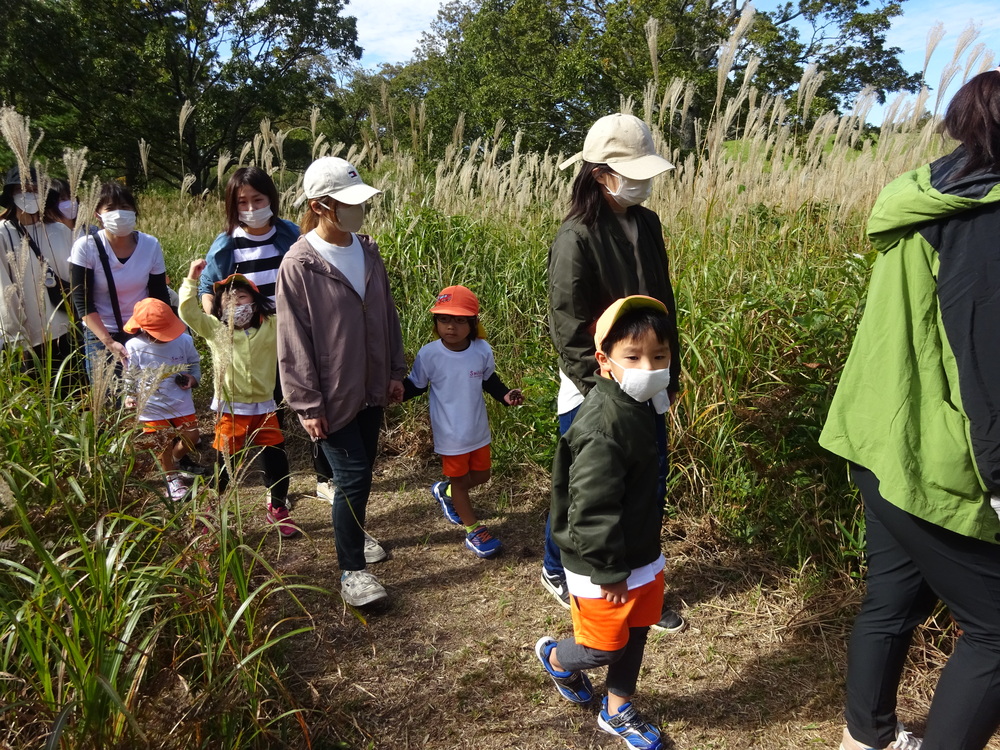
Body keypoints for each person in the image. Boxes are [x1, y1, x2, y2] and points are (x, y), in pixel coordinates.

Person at [819, 69, 1000, 750]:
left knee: (894, 598)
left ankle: (864, 737)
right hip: (928, 451)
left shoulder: (931, 193)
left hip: (874, 435)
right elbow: (985, 364)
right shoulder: (984, 219)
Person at [545, 113, 684, 634]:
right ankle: (559, 566)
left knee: (646, 483)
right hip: (598, 385)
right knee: (587, 487)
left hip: (648, 372)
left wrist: (668, 373)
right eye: (632, 172)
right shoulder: (577, 235)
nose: (643, 182)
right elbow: (567, 321)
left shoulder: (646, 222)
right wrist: (602, 389)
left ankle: (643, 580)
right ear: (600, 173)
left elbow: (663, 302)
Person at [536, 296, 673, 750]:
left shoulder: (642, 407)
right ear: (605, 361)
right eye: (633, 356)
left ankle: (616, 710)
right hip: (602, 561)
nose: (648, 366)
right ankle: (556, 656)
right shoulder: (602, 423)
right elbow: (591, 507)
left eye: (660, 355)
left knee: (635, 631)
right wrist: (609, 568)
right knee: (605, 645)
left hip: (639, 552)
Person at [276, 156, 405, 607]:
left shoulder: (367, 251)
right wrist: (307, 405)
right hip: (331, 394)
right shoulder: (300, 264)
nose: (357, 210)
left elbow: (387, 313)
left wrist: (394, 370)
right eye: (346, 203)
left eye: (359, 201)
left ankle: (354, 531)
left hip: (371, 385)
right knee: (351, 477)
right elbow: (293, 340)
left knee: (360, 474)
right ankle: (352, 572)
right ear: (319, 205)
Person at [200, 166, 333, 499]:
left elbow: (313, 272)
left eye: (256, 199)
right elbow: (207, 286)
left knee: (311, 402)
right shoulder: (226, 243)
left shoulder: (290, 233)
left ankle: (324, 478)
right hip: (253, 344)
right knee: (268, 414)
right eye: (241, 202)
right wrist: (218, 324)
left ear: (270, 198)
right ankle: (275, 488)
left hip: (295, 334)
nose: (250, 208)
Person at [402, 284, 524, 559]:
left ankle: (446, 491)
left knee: (482, 476)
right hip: (450, 434)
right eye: (444, 319)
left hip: (477, 430)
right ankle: (473, 530)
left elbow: (489, 380)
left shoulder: (481, 350)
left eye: (459, 320)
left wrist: (505, 396)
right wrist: (393, 393)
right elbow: (415, 386)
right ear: (435, 322)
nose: (451, 327)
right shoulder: (429, 354)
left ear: (473, 323)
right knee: (460, 482)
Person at [179, 261, 297, 538]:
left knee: (276, 459)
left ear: (255, 302)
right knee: (226, 463)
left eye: (242, 297)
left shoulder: (271, 326)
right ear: (220, 308)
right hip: (232, 409)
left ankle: (278, 509)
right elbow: (188, 312)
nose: (236, 302)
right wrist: (191, 282)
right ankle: (210, 509)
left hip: (266, 406)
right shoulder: (216, 330)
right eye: (228, 299)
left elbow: (298, 315)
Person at [69, 181, 170, 378]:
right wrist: (108, 342)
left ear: (134, 211)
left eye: (124, 207)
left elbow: (159, 293)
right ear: (98, 214)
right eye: (110, 208)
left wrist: (159, 333)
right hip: (101, 333)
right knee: (108, 397)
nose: (119, 213)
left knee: (146, 394)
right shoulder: (86, 247)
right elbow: (82, 301)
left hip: (142, 330)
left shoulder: (150, 244)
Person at [122, 298, 201, 501]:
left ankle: (175, 460)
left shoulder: (184, 340)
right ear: (144, 329)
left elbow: (193, 362)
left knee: (191, 436)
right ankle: (172, 480)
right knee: (162, 443)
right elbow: (130, 375)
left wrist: (193, 378)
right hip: (152, 406)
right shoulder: (134, 347)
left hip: (181, 400)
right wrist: (130, 396)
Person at [0, 167, 75, 373]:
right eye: (23, 189)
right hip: (29, 340)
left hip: (67, 333)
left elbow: (78, 279)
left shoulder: (60, 231)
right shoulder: (3, 233)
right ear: (11, 194)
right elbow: (4, 291)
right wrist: (16, 337)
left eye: (35, 189)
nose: (29, 194)